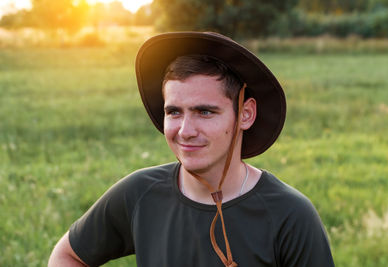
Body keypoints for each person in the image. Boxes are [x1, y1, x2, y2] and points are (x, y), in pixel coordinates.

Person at [48, 32, 335, 267]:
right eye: (174, 112)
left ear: (245, 114)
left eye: (205, 112)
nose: (185, 130)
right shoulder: (139, 194)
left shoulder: (289, 214)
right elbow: (67, 257)